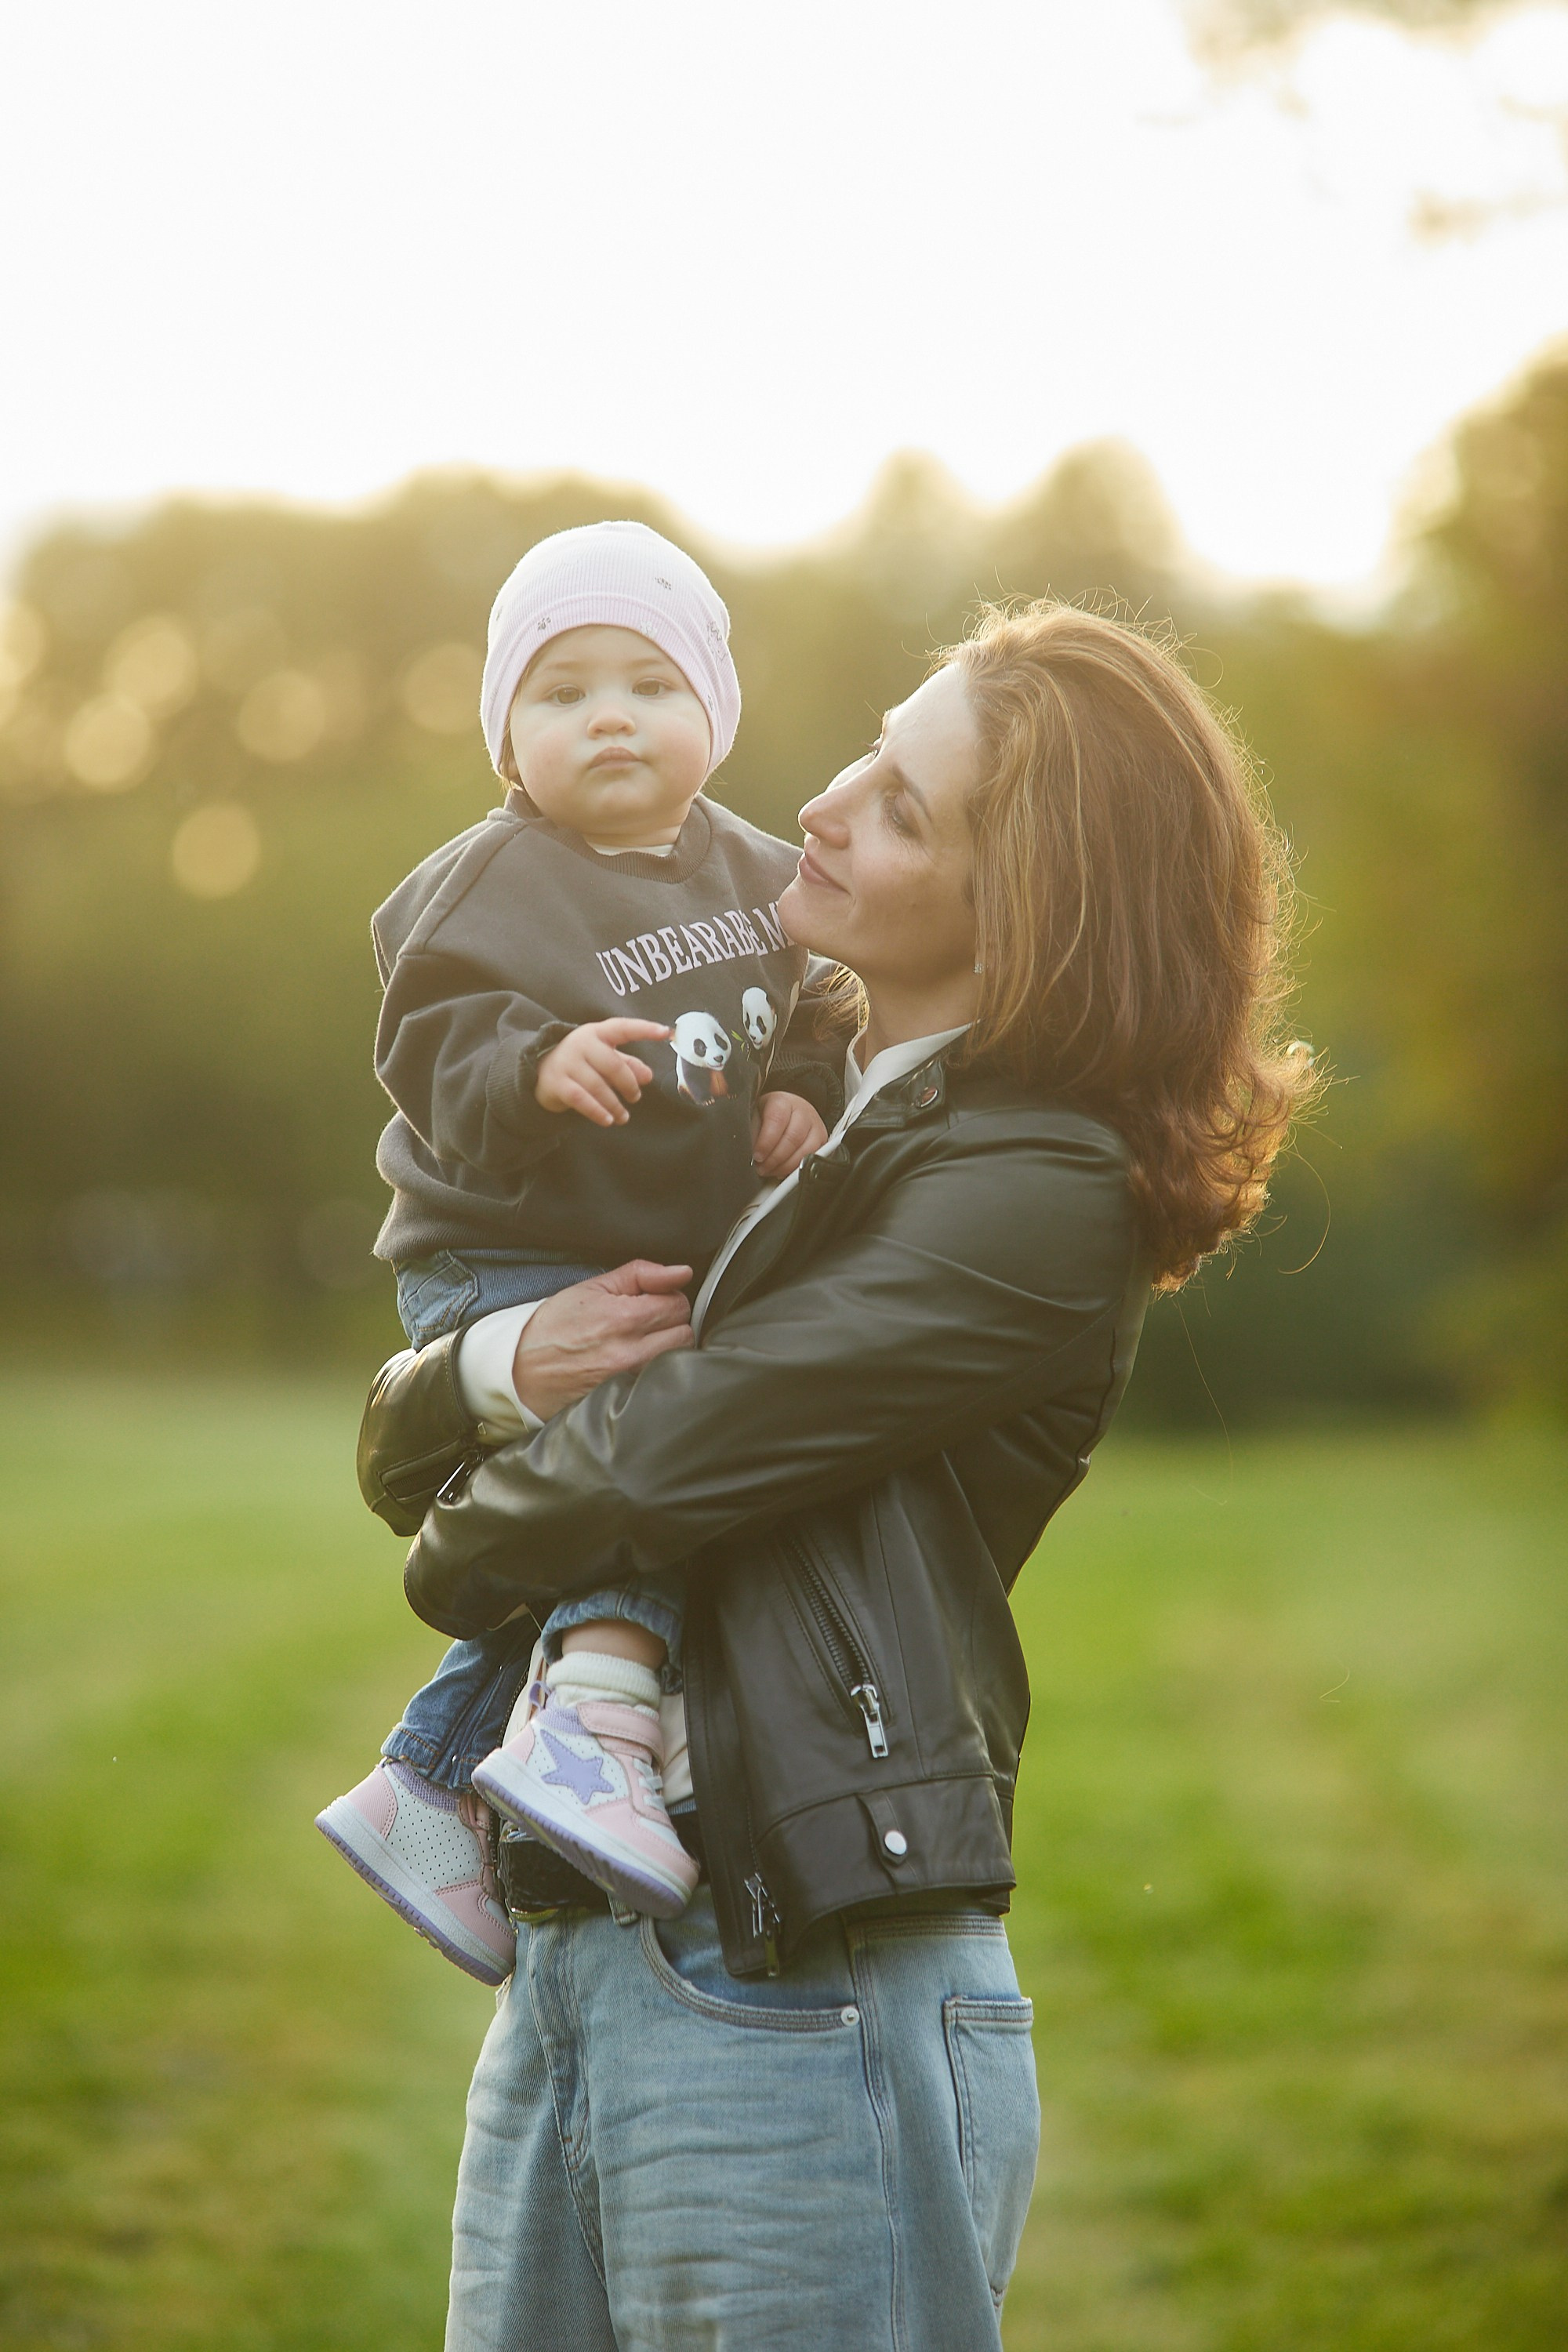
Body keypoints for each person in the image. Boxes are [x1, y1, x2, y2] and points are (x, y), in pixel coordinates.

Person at [357, 601, 1316, 2350]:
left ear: (1026, 905)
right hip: (586, 1945)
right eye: (870, 747)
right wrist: (501, 1362)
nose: (823, 800)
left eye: (902, 804)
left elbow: (652, 1460)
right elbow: (409, 1422)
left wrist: (458, 1541)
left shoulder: (1036, 1184)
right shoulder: (786, 1130)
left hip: (799, 1982)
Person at [318, 521, 830, 1984]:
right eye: (562, 692)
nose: (609, 714)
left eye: (649, 684)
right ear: (507, 747)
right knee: (646, 1463)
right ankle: (589, 1734)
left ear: (713, 718)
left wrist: (803, 1084)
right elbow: (429, 1046)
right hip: (508, 1253)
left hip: (643, 1258)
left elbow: (812, 1011)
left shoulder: (760, 876)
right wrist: (532, 1066)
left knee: (632, 1472)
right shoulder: (487, 885)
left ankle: (427, 1783)